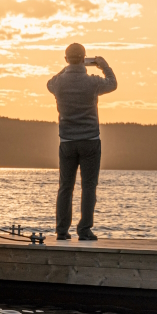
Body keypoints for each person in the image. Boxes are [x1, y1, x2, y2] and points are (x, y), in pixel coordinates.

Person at [47, 43, 117, 240]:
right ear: (84, 59)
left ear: (66, 59)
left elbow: (49, 83)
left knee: (65, 187)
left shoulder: (59, 83)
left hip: (67, 141)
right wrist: (104, 66)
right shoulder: (92, 82)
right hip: (90, 140)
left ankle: (62, 231)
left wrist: (68, 68)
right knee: (88, 187)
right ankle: (84, 230)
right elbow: (112, 83)